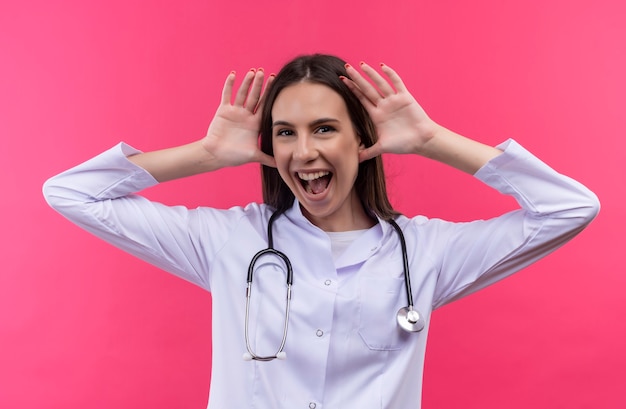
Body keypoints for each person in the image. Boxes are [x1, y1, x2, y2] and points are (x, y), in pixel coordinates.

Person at [43, 54, 599, 408]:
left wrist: (431, 139)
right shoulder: (229, 244)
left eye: (324, 129)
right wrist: (207, 153)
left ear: (363, 141)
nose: (304, 151)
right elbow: (72, 192)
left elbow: (569, 208)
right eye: (285, 132)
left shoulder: (425, 253)